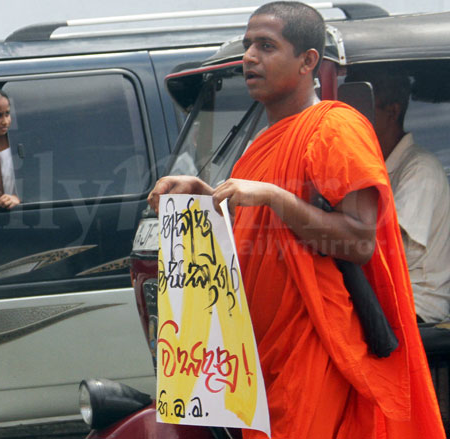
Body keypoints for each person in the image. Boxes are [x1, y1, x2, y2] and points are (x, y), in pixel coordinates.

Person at [148, 2, 445, 438]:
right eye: (248, 45)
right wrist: (205, 195)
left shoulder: (336, 127)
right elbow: (256, 228)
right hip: (257, 355)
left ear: (308, 62)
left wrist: (273, 196)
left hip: (313, 347)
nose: (250, 57)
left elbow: (360, 240)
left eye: (267, 46)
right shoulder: (260, 143)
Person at [346, 66, 450, 323]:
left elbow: (387, 251)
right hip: (379, 298)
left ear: (392, 111)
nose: (349, 121)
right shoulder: (369, 164)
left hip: (416, 304)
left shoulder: (419, 169)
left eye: (359, 110)